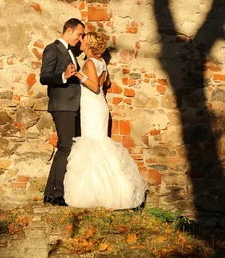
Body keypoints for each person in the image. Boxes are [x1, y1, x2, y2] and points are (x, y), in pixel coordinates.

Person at [63, 32, 146, 209]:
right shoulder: (101, 62)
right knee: (98, 143)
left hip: (92, 106)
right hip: (99, 105)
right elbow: (104, 83)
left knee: (93, 144)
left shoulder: (91, 62)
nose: (81, 41)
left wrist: (78, 74)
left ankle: (96, 194)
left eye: (84, 40)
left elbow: (94, 86)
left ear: (90, 44)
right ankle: (108, 191)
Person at [40, 18, 85, 206]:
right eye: (79, 34)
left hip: (72, 106)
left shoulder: (70, 52)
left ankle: (51, 193)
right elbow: (44, 77)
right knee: (65, 147)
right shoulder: (53, 49)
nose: (80, 39)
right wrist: (64, 76)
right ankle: (58, 195)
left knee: (66, 148)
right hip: (63, 106)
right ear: (69, 31)